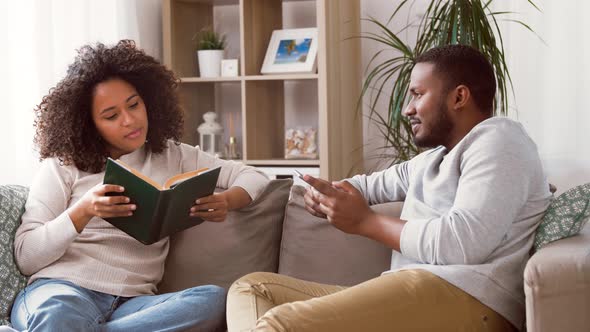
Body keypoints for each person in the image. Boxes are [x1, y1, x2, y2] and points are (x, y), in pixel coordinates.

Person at [226, 44, 552, 331]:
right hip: (415, 291)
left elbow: (462, 242)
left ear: (459, 97)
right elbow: (368, 186)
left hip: (471, 300)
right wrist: (325, 194)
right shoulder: (434, 159)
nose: (406, 109)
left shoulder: (500, 141)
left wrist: (365, 222)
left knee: (280, 324)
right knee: (251, 288)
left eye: (418, 94)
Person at [11, 40, 269, 331]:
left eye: (134, 105)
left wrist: (229, 200)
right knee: (57, 313)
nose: (130, 120)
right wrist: (83, 211)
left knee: (213, 301)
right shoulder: (62, 165)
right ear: (88, 124)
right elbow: (26, 256)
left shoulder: (175, 155)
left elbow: (254, 176)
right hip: (62, 291)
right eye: (111, 116)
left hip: (133, 306)